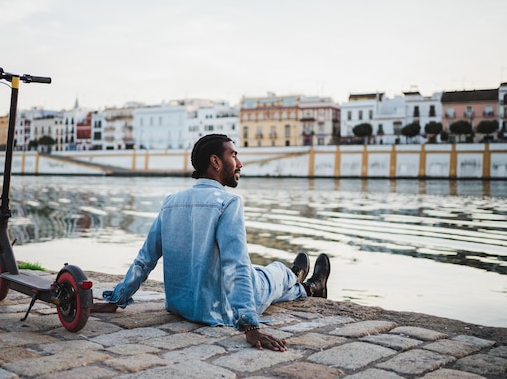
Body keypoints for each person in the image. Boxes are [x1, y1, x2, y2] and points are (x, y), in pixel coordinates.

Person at [92, 134, 331, 351]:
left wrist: (117, 299)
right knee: (273, 273)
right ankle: (300, 280)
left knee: (255, 271)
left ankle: (305, 286)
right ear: (216, 162)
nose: (240, 163)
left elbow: (145, 260)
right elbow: (235, 266)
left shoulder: (171, 202)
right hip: (219, 308)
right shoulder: (228, 203)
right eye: (234, 155)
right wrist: (250, 326)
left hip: (181, 306)